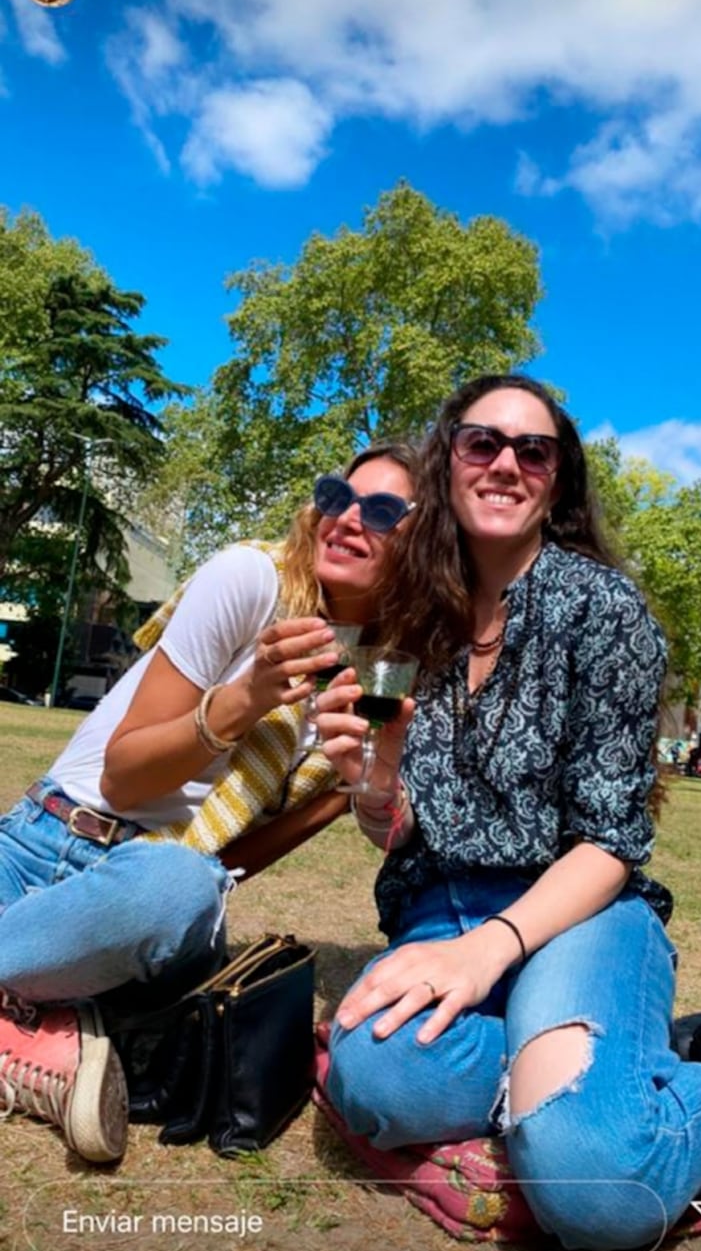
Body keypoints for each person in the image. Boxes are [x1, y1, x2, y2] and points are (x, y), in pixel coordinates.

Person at [317, 375, 701, 1251]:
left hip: (579, 913)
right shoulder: (415, 615)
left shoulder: (603, 611)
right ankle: (606, 1061)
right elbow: (403, 828)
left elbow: (610, 840)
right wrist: (373, 782)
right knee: (374, 1081)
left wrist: (486, 949)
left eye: (534, 449)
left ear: (556, 482)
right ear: (448, 463)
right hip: (440, 906)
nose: (505, 463)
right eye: (481, 442)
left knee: (593, 1187)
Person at [0, 440, 417, 1165]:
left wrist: (359, 780)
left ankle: (47, 1006)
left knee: (184, 884)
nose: (347, 519)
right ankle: (44, 1025)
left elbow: (233, 862)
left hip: (148, 898)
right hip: (48, 843)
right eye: (335, 495)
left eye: (382, 511)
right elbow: (128, 777)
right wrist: (246, 698)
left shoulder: (379, 681)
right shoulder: (250, 579)